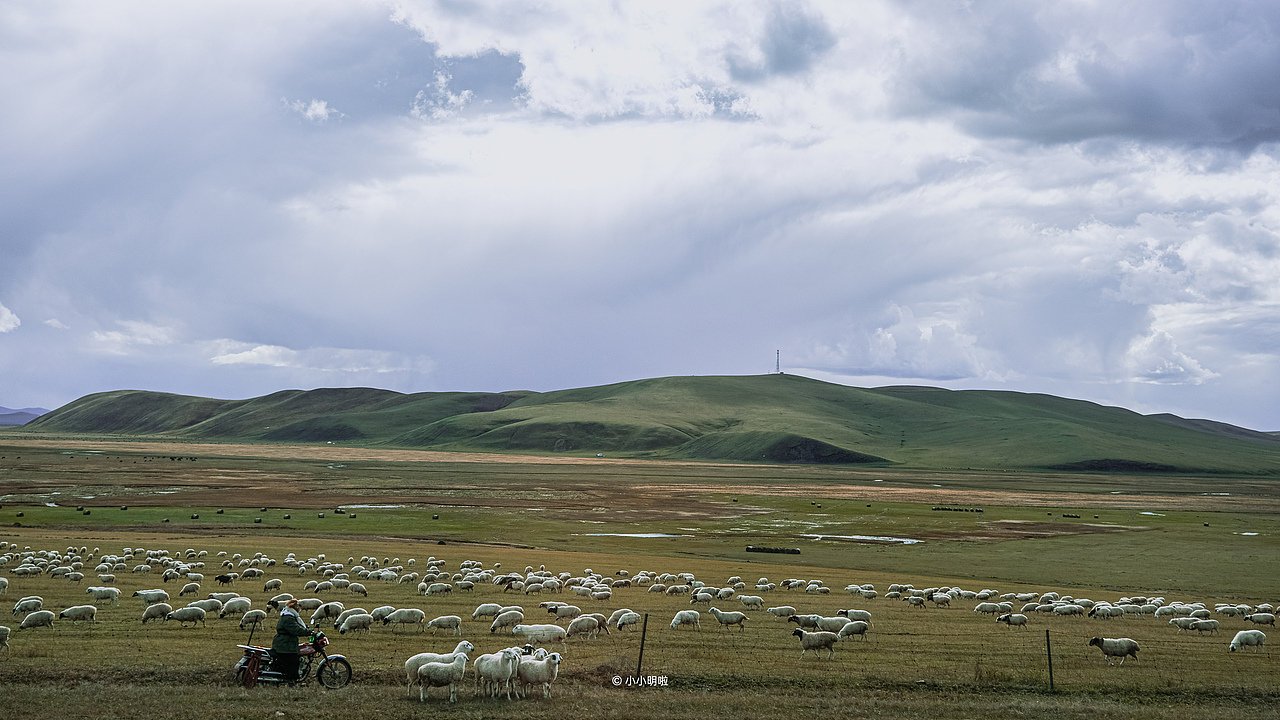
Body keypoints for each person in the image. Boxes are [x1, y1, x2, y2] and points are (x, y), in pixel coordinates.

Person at [271, 598, 311, 684]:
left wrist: (306, 629)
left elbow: (296, 627)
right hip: (285, 644)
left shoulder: (288, 615)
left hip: (285, 642)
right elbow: (295, 629)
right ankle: (292, 681)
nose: (299, 608)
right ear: (294, 607)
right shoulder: (288, 618)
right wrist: (308, 632)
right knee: (294, 660)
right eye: (298, 606)